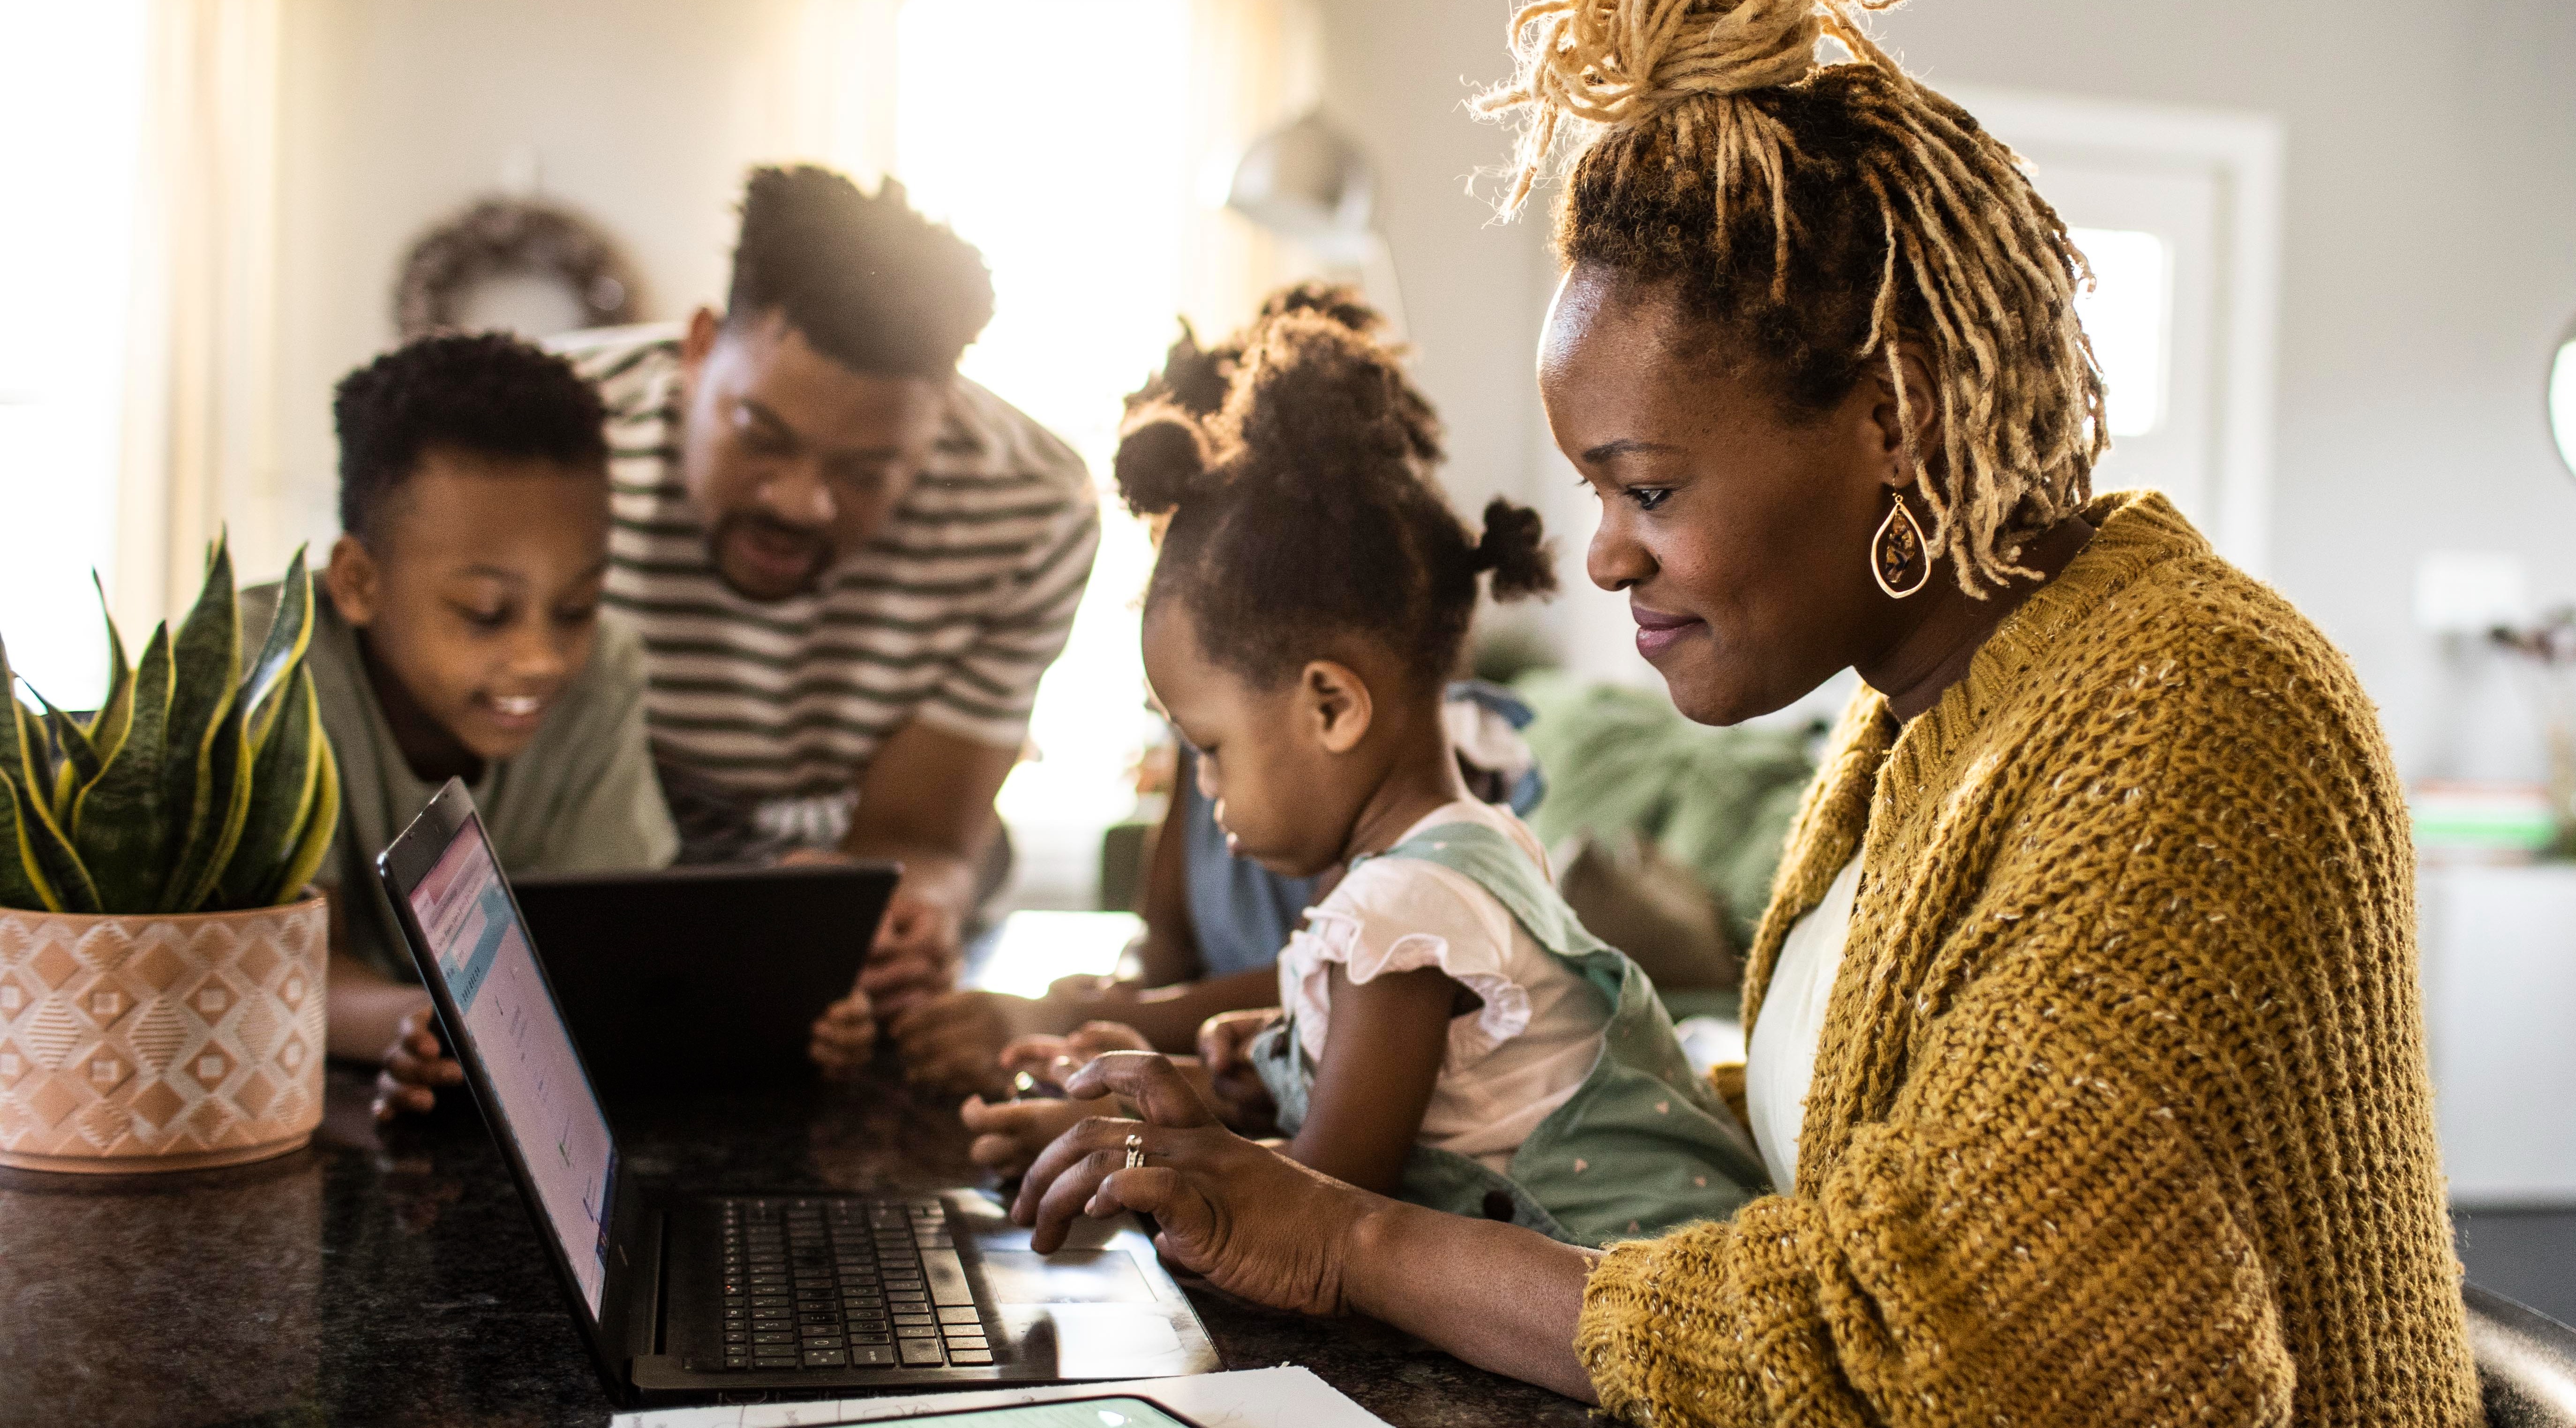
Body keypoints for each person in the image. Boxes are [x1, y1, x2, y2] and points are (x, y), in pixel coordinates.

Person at [998, 1, 2480, 1422]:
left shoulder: (2192, 715)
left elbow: (1976, 1354)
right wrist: (1373, 1092)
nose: (1604, 555)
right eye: (1597, 492)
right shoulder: (1912, 721)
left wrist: (1348, 1237)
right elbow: (1867, 1145)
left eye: (1647, 487)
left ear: (1894, 414)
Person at [971, 303, 1765, 1246]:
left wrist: (1125, 1147)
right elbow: (1431, 1106)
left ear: (1331, 707)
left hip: (1637, 1286)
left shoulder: (1403, 908)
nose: (1204, 786)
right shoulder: (1459, 851)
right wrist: (1236, 1066)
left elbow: (1323, 1198)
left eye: (1210, 748)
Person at [888, 288, 1546, 1092]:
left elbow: (1337, 988)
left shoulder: (1428, 792)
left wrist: (1069, 1022)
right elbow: (1166, 946)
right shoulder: (1215, 738)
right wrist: (1114, 1006)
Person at [552, 166, 1101, 1067]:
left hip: (836, 861)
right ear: (698, 347)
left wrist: (897, 910)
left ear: (939, 419)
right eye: (761, 436)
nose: (803, 503)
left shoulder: (1031, 506)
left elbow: (920, 836)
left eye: (866, 472)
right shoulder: (553, 434)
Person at [261, 333, 676, 1119]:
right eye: (486, 612)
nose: (542, 658)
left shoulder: (606, 670)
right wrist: (420, 1025)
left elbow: (607, 950)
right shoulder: (273, 668)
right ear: (358, 582)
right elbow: (278, 965)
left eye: (577, 607)